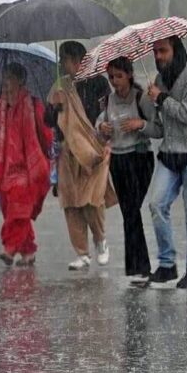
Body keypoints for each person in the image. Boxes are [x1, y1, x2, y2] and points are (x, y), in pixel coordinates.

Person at [144, 36, 187, 288]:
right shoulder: (160, 80)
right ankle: (167, 264)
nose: (158, 56)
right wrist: (143, 123)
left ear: (176, 50)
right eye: (155, 52)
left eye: (163, 50)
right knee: (156, 204)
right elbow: (160, 127)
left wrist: (162, 99)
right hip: (169, 155)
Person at [47, 41, 116, 271]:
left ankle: (100, 240)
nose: (62, 64)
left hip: (94, 149)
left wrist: (106, 136)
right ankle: (82, 253)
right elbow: (49, 121)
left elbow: (109, 113)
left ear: (78, 60)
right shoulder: (59, 87)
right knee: (71, 202)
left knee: (92, 199)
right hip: (67, 151)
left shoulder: (99, 83)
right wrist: (54, 107)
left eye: (65, 59)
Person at [96, 57, 160, 280]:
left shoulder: (141, 98)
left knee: (132, 210)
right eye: (111, 77)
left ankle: (140, 266)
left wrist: (140, 124)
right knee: (129, 212)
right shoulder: (107, 101)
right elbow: (98, 128)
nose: (115, 81)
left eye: (119, 76)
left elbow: (158, 129)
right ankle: (137, 267)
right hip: (118, 161)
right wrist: (102, 128)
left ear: (130, 75)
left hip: (140, 158)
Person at [0, 63, 52, 267]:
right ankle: (28, 251)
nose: (5, 83)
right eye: (4, 78)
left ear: (20, 80)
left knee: (19, 212)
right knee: (11, 210)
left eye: (9, 78)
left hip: (27, 169)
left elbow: (45, 133)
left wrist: (49, 154)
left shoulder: (33, 104)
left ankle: (10, 248)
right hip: (5, 168)